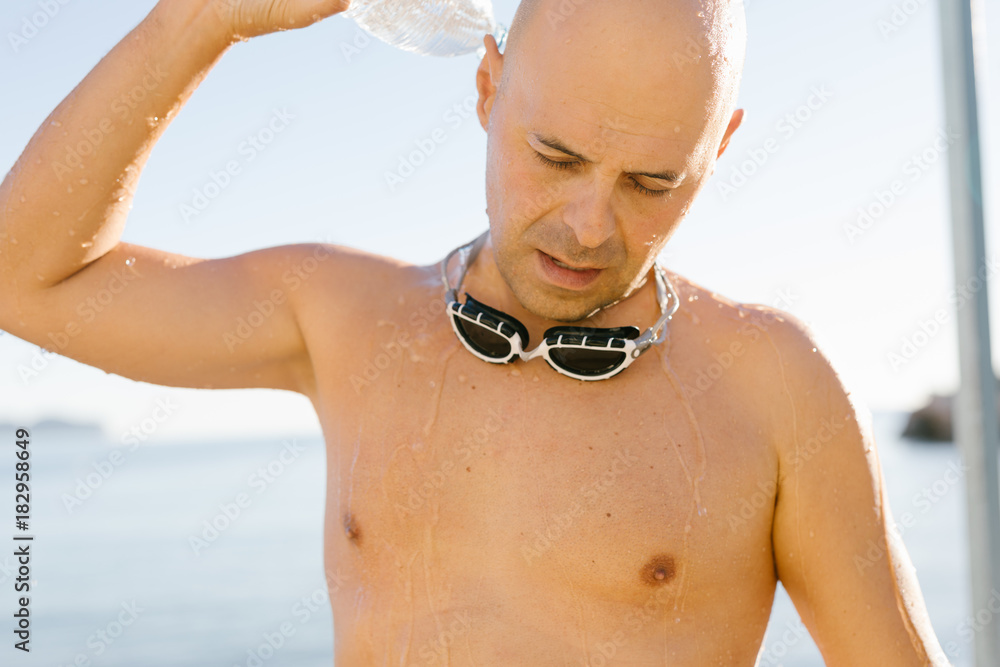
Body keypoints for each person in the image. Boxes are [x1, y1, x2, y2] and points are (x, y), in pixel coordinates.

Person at [0, 0, 950, 663]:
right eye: (556, 156)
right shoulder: (345, 319)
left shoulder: (773, 385)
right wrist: (199, 20)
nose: (588, 225)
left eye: (653, 183)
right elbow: (24, 280)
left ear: (721, 148)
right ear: (489, 88)